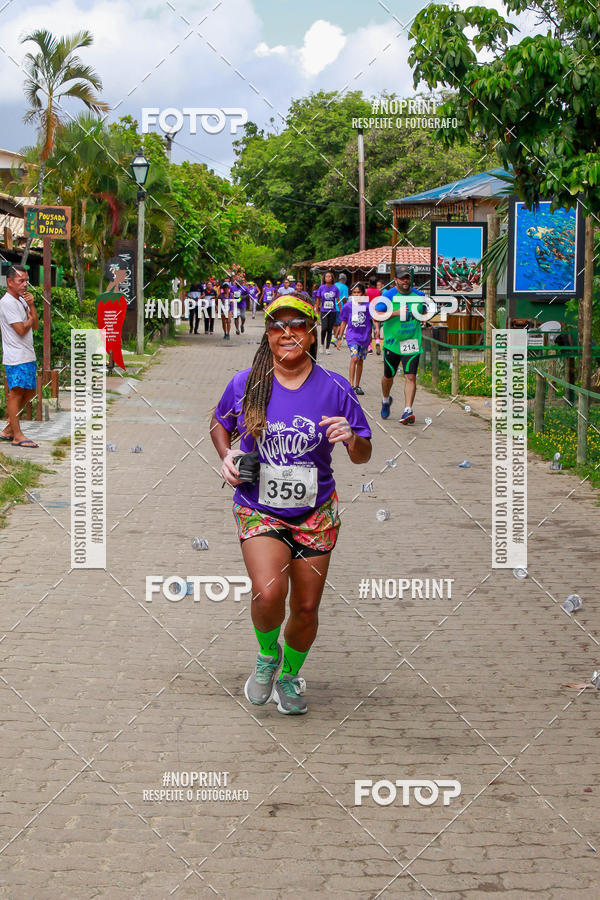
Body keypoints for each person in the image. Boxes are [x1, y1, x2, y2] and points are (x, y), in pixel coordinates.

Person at [211, 293, 372, 715]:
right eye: (278, 326)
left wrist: (352, 438)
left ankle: (290, 675)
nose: (287, 334)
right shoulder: (246, 382)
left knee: (305, 606)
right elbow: (218, 423)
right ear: (267, 335)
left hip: (316, 511)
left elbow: (364, 452)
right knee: (269, 593)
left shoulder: (336, 386)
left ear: (311, 333)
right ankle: (268, 656)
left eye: (297, 325)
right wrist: (226, 456)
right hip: (258, 506)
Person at [377, 264, 425, 425]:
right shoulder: (388, 296)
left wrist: (424, 318)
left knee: (410, 376)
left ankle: (408, 410)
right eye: (402, 278)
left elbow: (425, 312)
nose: (406, 280)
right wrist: (395, 313)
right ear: (396, 279)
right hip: (392, 343)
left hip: (411, 341)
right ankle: (385, 399)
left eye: (408, 277)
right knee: (388, 377)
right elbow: (377, 315)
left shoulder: (419, 296)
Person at [0, 265, 40, 447]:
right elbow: (21, 329)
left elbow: (36, 325)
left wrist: (31, 305)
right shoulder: (6, 302)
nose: (25, 284)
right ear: (9, 282)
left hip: (27, 354)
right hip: (16, 356)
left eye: (26, 280)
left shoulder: (22, 301)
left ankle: (9, 428)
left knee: (30, 391)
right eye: (20, 281)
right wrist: (30, 319)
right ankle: (17, 435)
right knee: (16, 393)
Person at [338, 282, 373, 395]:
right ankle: (351, 385)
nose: (357, 294)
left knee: (360, 361)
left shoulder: (368, 306)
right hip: (352, 337)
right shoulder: (348, 306)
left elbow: (372, 321)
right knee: (354, 358)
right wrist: (339, 338)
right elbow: (343, 322)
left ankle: (357, 385)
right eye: (354, 292)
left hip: (364, 337)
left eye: (359, 292)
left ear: (363, 293)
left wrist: (373, 334)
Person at [314, 271, 340, 355]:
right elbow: (318, 299)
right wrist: (316, 310)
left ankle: (328, 347)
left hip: (332, 311)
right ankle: (321, 345)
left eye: (329, 276)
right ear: (324, 278)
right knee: (324, 328)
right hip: (324, 311)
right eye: (326, 277)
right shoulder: (321, 288)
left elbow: (338, 300)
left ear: (332, 278)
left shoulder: (335, 288)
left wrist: (341, 310)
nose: (328, 278)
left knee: (329, 329)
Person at [366, 276, 382, 355]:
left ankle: (369, 348)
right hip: (376, 312)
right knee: (376, 328)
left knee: (368, 331)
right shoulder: (378, 291)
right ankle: (377, 342)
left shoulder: (366, 291)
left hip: (368, 312)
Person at [332, 273, 348, 348]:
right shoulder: (345, 287)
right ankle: (335, 337)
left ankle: (334, 339)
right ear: (344, 280)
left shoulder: (334, 285)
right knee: (341, 323)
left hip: (332, 307)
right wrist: (345, 307)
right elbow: (345, 299)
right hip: (340, 307)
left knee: (335, 324)